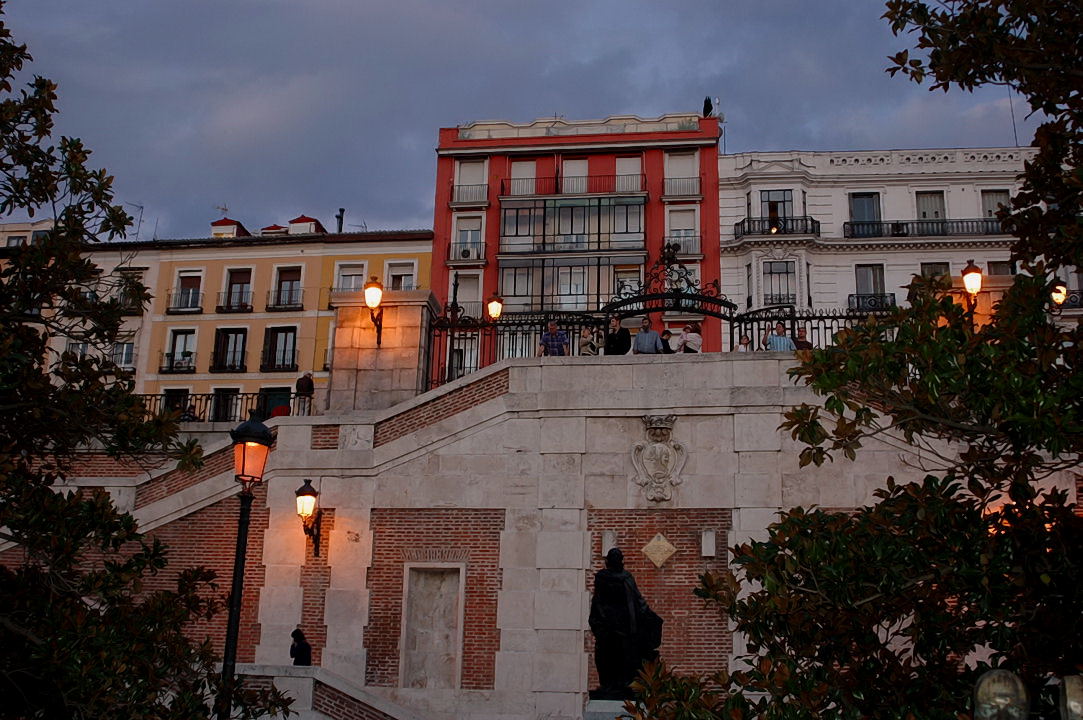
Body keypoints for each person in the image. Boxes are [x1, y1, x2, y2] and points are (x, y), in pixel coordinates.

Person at [588, 548, 663, 700]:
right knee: (607, 656)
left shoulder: (627, 577)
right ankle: (609, 685)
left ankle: (624, 684)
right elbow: (599, 601)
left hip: (626, 625)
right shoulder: (602, 577)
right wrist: (600, 623)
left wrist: (648, 615)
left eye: (618, 558)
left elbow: (637, 599)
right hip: (608, 625)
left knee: (626, 656)